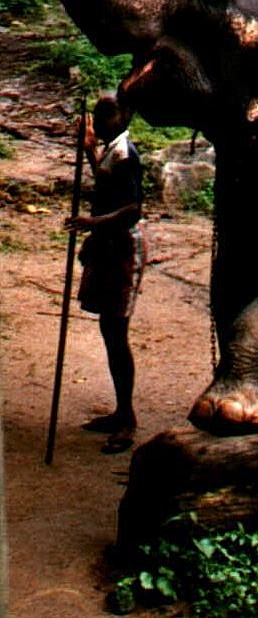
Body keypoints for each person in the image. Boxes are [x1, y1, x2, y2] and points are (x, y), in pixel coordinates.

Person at [65, 92, 147, 454]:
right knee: (109, 330)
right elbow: (104, 179)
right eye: (97, 116)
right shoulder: (111, 148)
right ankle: (120, 411)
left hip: (124, 248)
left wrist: (91, 222)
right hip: (108, 246)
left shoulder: (126, 152)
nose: (99, 122)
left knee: (116, 330)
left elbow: (132, 208)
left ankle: (127, 419)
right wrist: (87, 149)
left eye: (107, 115)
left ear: (126, 115)